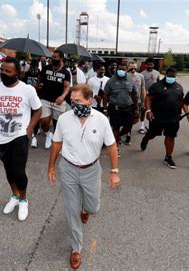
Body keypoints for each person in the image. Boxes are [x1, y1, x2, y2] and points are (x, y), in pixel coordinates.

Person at [47, 84, 120, 270]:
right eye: (72, 101)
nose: (74, 105)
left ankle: (85, 208)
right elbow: (56, 143)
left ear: (90, 100)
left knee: (93, 207)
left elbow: (111, 146)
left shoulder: (101, 120)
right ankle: (76, 249)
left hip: (91, 170)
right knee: (72, 210)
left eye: (78, 101)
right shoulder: (64, 119)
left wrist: (114, 171)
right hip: (68, 168)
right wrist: (51, 167)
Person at [0, 57, 42, 221]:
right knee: (9, 171)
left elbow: (38, 110)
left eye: (8, 71)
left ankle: (23, 199)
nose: (3, 73)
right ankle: (14, 196)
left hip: (19, 136)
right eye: (2, 70)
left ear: (18, 73)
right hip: (1, 137)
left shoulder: (27, 89)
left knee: (19, 172)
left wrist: (29, 129)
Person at [140, 67, 184, 169]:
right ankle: (146, 138)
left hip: (173, 118)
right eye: (169, 76)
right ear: (166, 75)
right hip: (157, 117)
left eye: (173, 76)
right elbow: (148, 98)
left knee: (170, 136)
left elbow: (181, 99)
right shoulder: (157, 86)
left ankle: (168, 157)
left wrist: (180, 112)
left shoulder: (179, 87)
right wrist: (148, 110)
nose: (171, 78)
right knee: (152, 134)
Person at [36, 50, 71, 149]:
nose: (53, 59)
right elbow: (39, 80)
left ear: (61, 58)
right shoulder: (46, 68)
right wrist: (39, 85)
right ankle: (48, 134)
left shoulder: (66, 72)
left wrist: (62, 96)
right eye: (52, 57)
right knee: (44, 121)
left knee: (58, 124)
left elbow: (67, 87)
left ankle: (57, 141)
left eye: (55, 57)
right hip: (45, 99)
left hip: (58, 101)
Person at [103, 63, 138, 156]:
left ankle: (118, 138)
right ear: (117, 69)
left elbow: (134, 94)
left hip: (128, 106)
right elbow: (105, 95)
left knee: (129, 126)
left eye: (123, 69)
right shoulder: (111, 81)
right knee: (116, 127)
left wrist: (136, 108)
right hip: (115, 107)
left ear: (126, 70)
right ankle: (116, 147)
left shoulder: (130, 80)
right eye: (119, 69)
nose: (121, 71)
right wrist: (105, 109)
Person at [126, 61, 147, 143]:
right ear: (128, 67)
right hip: (127, 101)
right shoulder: (125, 76)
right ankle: (128, 134)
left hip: (137, 101)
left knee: (135, 118)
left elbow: (143, 89)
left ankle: (128, 130)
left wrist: (144, 100)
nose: (133, 68)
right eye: (131, 66)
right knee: (129, 118)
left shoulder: (140, 76)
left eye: (134, 66)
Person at [23, 59, 42, 148]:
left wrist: (38, 86)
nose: (34, 66)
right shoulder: (26, 73)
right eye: (33, 65)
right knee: (27, 116)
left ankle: (34, 136)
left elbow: (42, 85)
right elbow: (22, 84)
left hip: (36, 97)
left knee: (35, 116)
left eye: (36, 65)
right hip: (26, 98)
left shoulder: (40, 74)